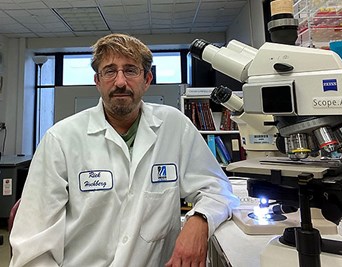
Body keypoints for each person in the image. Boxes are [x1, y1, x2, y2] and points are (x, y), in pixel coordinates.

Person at [9, 33, 239, 267]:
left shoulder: (174, 126)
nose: (120, 82)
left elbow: (219, 190)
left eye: (130, 70)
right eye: (109, 71)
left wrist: (199, 221)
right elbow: (33, 244)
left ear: (147, 79)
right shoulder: (60, 139)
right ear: (97, 81)